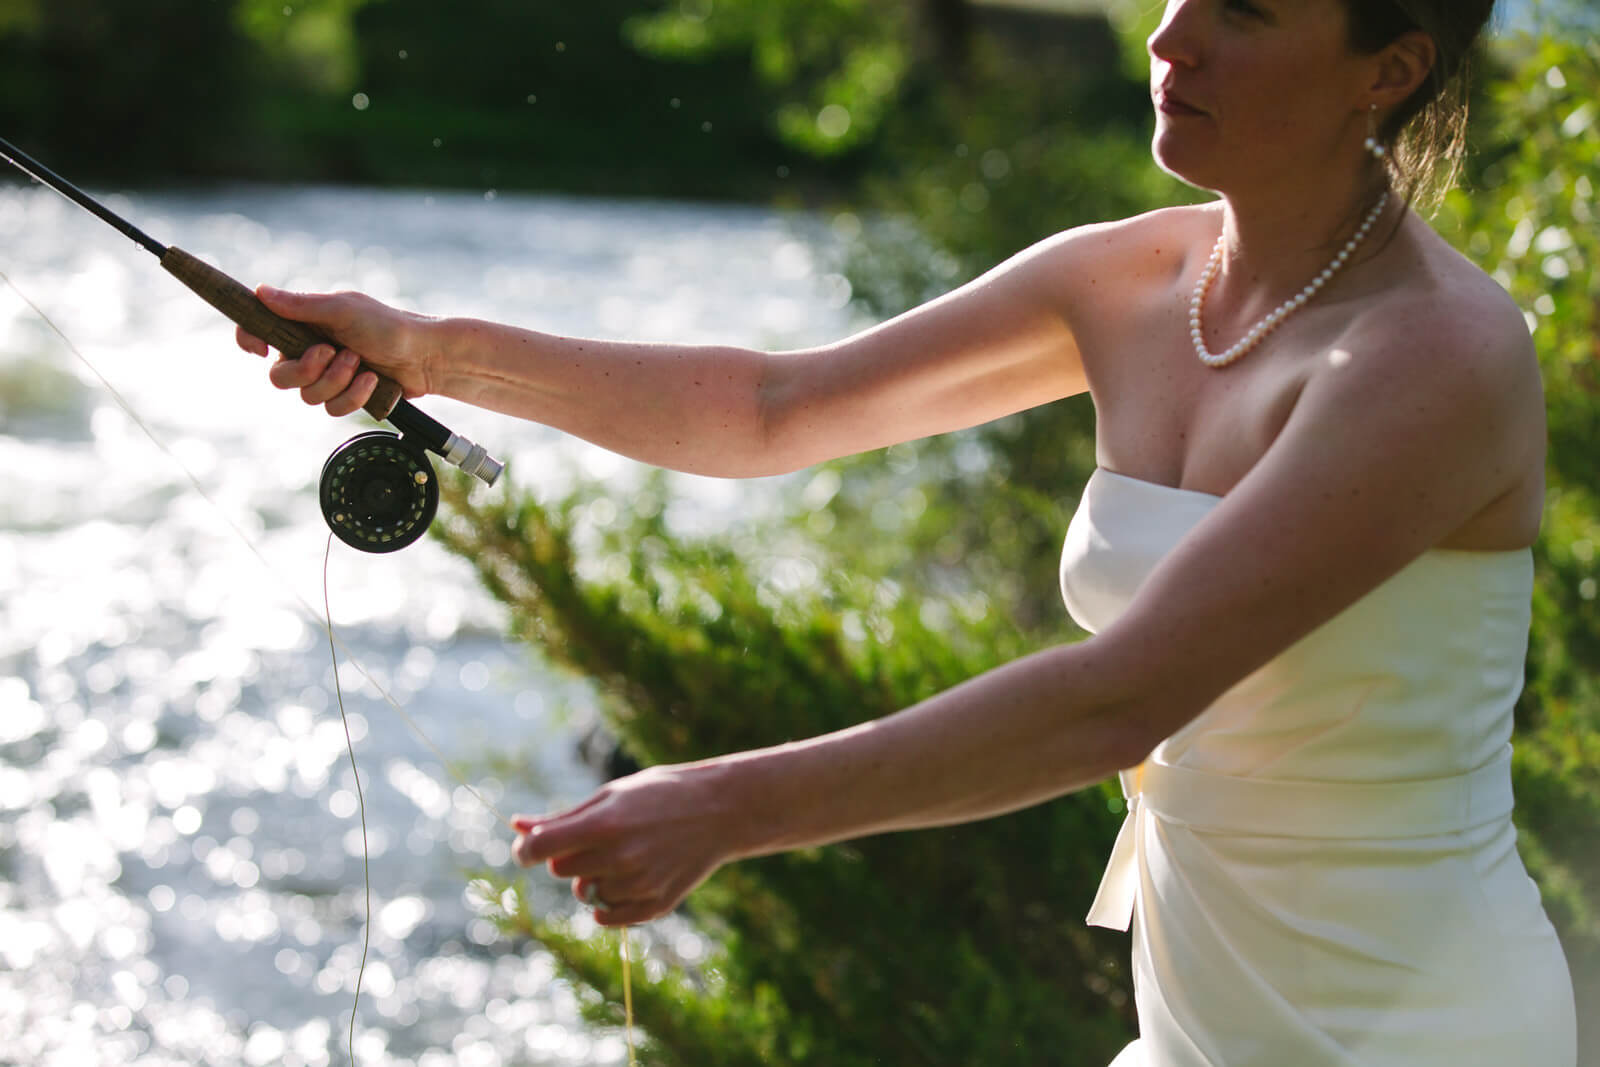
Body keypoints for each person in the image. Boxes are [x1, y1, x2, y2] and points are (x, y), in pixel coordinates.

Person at [237, 0, 1578, 1061]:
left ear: (1387, 69)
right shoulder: (1133, 277)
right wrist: (430, 353)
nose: (1171, 36)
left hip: (1415, 1025)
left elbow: (1117, 703)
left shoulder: (1437, 359)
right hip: (1201, 1017)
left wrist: (723, 804)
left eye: (1246, 9)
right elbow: (772, 409)